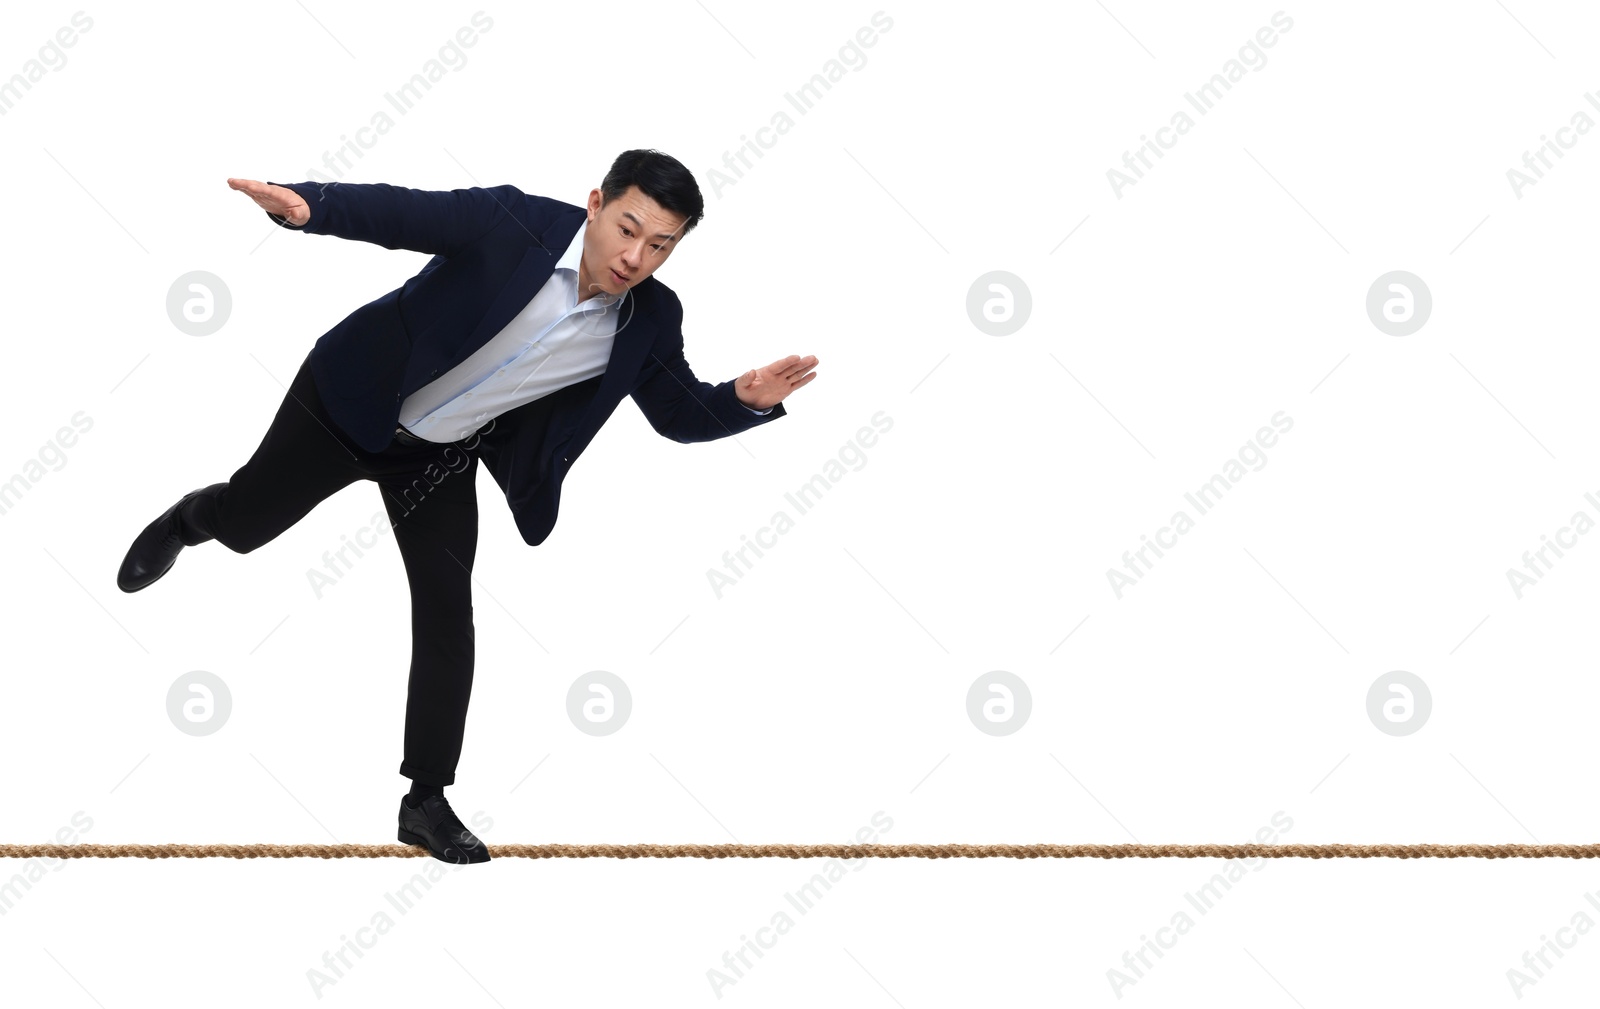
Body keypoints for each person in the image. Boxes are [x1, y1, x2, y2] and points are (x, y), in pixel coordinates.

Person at [116, 149, 818, 864]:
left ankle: (424, 800)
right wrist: (310, 206)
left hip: (438, 455)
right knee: (243, 525)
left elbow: (677, 412)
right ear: (595, 203)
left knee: (449, 613)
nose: (636, 256)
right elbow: (405, 211)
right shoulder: (512, 221)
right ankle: (186, 519)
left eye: (660, 245)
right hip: (349, 400)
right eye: (628, 229)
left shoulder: (648, 318)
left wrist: (741, 400)